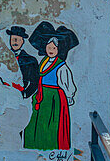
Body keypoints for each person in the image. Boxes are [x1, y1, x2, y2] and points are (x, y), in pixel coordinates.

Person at [22, 22, 79, 151]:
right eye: (49, 47)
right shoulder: (44, 62)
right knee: (37, 124)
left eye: (54, 48)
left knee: (52, 124)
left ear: (59, 50)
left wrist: (69, 97)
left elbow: (68, 85)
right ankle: (36, 145)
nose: (51, 50)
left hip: (55, 99)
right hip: (42, 97)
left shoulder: (61, 66)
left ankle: (50, 147)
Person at [3, 26, 39, 99]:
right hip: (4, 95)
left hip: (20, 97)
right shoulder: (3, 58)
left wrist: (24, 95)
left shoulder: (31, 61)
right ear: (10, 40)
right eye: (13, 39)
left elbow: (35, 82)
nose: (15, 42)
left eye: (18, 40)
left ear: (22, 41)